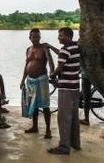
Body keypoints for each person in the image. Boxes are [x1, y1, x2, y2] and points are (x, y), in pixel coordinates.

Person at [46, 27, 81, 155]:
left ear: (68, 36)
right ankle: (75, 143)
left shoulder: (65, 50)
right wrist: (50, 47)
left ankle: (64, 147)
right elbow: (62, 54)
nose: (59, 37)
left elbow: (59, 68)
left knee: (63, 118)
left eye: (61, 36)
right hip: (75, 87)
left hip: (65, 88)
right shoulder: (76, 47)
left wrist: (52, 74)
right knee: (74, 116)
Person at [20, 29, 55, 138]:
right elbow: (26, 65)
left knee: (45, 105)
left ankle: (48, 130)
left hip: (42, 79)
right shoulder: (28, 49)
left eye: (37, 37)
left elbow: (50, 61)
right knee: (33, 104)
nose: (35, 39)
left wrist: (52, 72)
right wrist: (22, 80)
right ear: (29, 38)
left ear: (40, 37)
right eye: (33, 37)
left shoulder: (44, 48)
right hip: (30, 80)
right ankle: (35, 127)